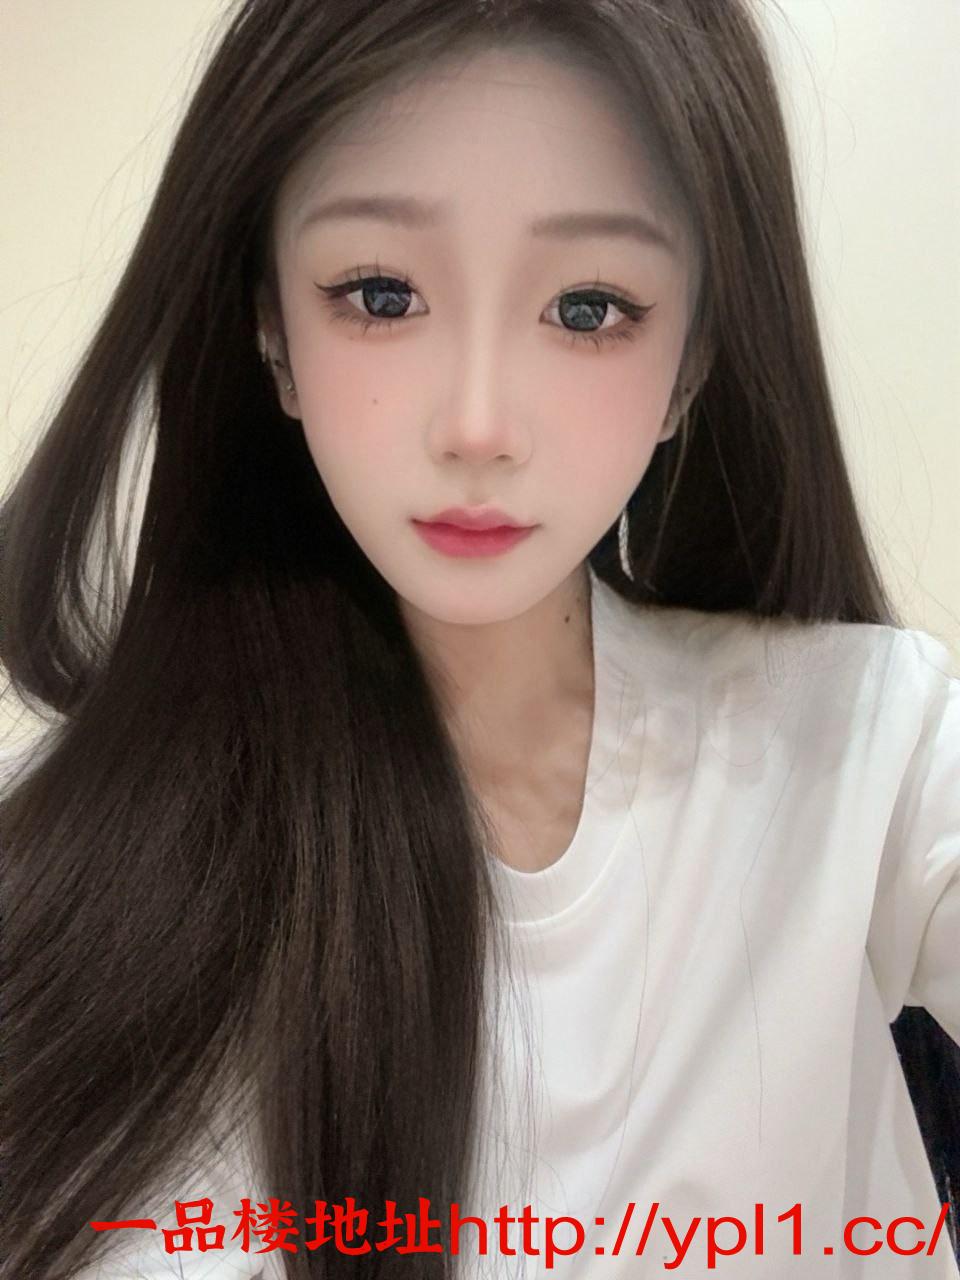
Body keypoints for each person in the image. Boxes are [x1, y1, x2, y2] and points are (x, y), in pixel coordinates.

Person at [1, 1, 958, 1277]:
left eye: (589, 307)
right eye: (381, 294)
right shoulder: (69, 870)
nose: (478, 424)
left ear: (692, 361)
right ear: (272, 329)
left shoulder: (865, 756)